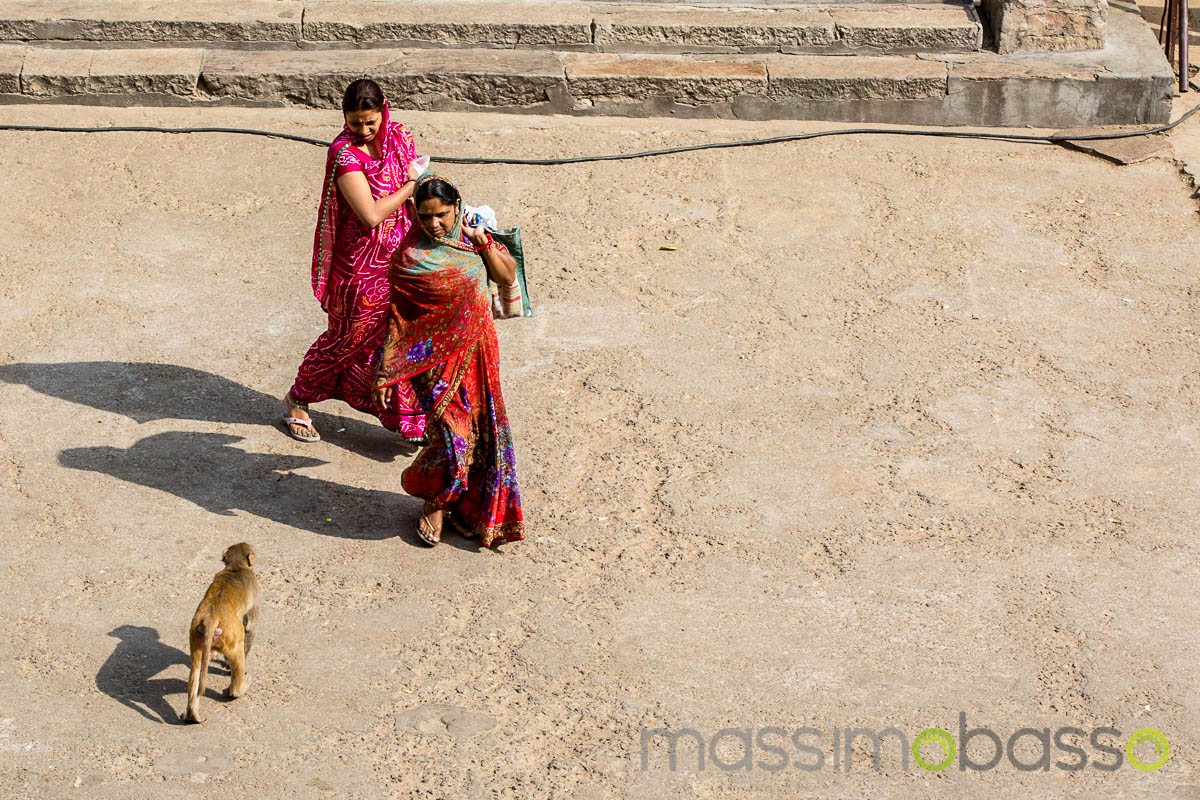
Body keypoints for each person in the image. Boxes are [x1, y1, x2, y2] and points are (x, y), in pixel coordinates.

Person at [373, 174, 524, 548]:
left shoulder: (471, 242)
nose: (434, 224)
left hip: (477, 353)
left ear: (456, 207)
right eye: (425, 216)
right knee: (452, 436)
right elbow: (398, 319)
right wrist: (386, 372)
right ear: (414, 213)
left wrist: (482, 241)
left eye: (441, 214)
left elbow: (506, 275)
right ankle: (435, 501)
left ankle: (468, 509)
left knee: (480, 434)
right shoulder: (408, 259)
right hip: (432, 366)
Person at [282, 79, 426, 443]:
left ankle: (408, 417)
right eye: (354, 122)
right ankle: (298, 398)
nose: (362, 130)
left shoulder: (400, 137)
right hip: (358, 268)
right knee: (346, 340)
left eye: (370, 122)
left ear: (383, 111)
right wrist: (412, 184)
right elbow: (371, 215)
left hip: (400, 259)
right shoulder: (344, 154)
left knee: (399, 337)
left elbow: (410, 207)